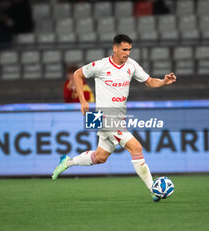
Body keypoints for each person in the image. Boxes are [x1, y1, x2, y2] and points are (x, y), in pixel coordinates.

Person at [52, 34, 177, 202]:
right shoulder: (101, 65)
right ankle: (153, 190)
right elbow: (77, 74)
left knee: (100, 157)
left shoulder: (131, 66)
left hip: (118, 118)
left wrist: (163, 81)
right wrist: (83, 101)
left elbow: (149, 81)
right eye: (124, 50)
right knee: (136, 148)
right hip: (101, 116)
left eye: (130, 50)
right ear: (115, 48)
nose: (127, 53)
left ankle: (67, 162)